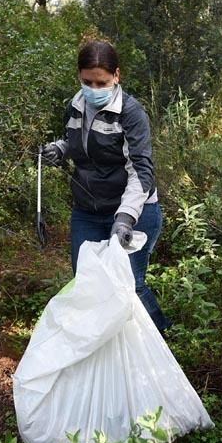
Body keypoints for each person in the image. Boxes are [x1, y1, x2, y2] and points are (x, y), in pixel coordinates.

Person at [41, 39, 171, 334]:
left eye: (101, 82)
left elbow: (141, 171)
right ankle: (102, 352)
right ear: (79, 76)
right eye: (88, 82)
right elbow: (76, 142)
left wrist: (125, 218)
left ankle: (161, 337)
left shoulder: (131, 114)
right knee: (87, 285)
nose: (94, 89)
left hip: (134, 212)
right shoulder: (74, 106)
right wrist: (60, 149)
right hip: (87, 211)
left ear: (116, 75)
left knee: (129, 285)